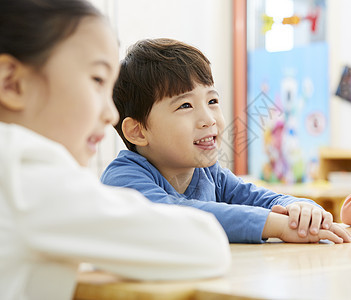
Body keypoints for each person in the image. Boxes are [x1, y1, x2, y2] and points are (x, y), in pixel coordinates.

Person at [0, 1, 231, 299]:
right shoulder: (27, 174)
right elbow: (206, 245)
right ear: (12, 84)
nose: (111, 114)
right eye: (97, 80)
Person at [101, 38, 351, 244]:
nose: (209, 119)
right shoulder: (123, 179)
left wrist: (297, 207)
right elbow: (178, 215)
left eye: (212, 101)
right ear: (138, 131)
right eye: (185, 105)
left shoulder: (209, 173)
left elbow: (256, 197)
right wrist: (274, 225)